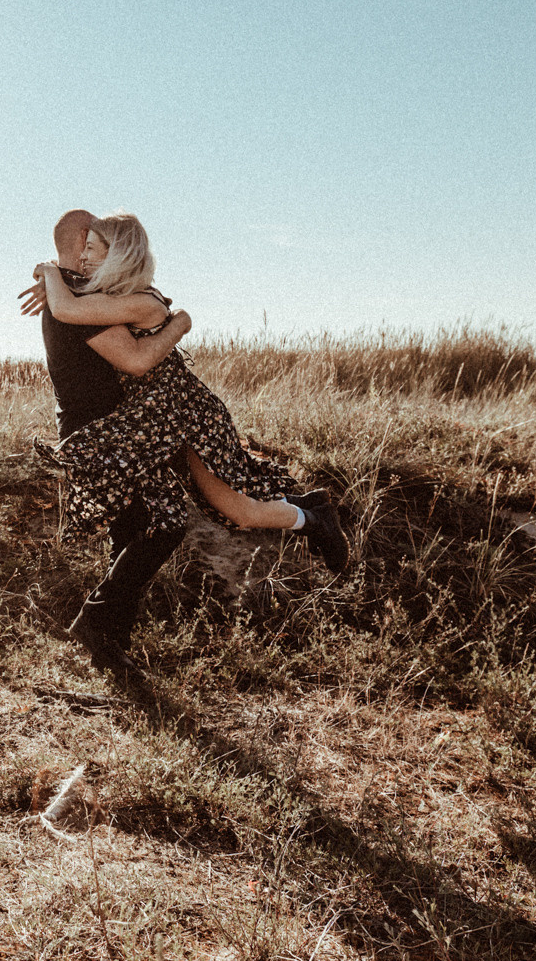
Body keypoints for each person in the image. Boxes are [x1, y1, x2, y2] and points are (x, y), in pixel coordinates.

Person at [20, 211, 349, 673]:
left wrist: (177, 322)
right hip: (123, 429)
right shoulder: (75, 298)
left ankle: (104, 632)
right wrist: (53, 275)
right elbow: (93, 327)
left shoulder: (92, 299)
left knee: (207, 506)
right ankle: (106, 635)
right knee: (167, 518)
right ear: (77, 247)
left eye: (101, 246)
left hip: (156, 419)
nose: (92, 254)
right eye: (88, 246)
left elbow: (131, 357)